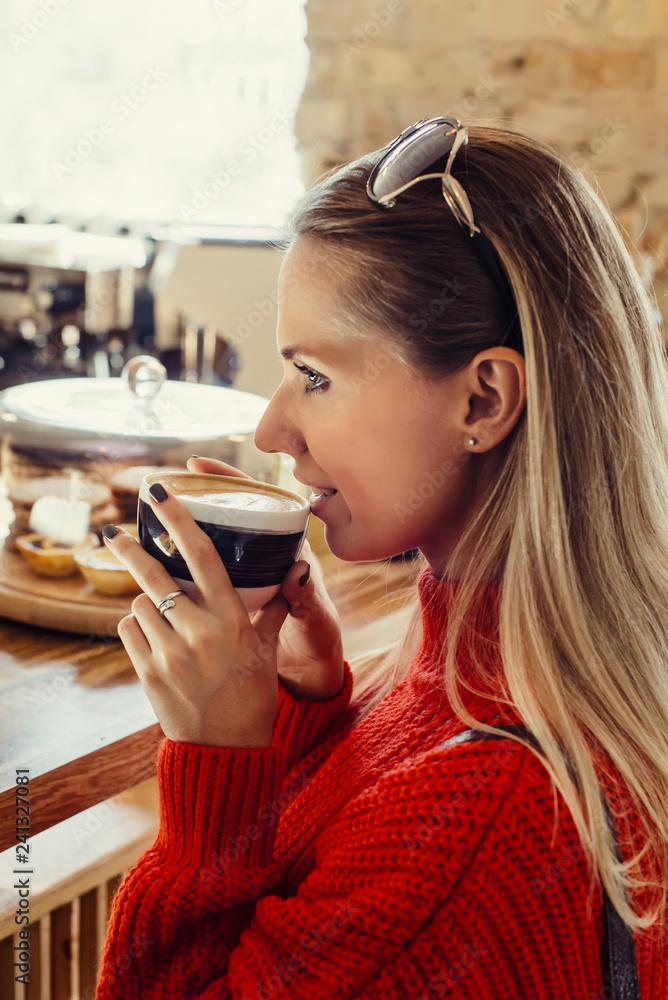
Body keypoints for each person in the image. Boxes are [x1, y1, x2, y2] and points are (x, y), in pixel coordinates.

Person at [95, 118, 668, 999]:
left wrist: (211, 760)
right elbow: (340, 899)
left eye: (314, 375)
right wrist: (311, 713)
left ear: (484, 398)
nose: (272, 430)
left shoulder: (482, 812)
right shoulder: (498, 681)